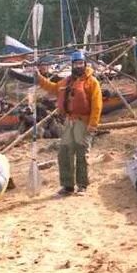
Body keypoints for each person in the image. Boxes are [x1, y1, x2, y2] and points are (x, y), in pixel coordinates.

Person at [37, 50, 103, 196]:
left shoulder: (92, 82)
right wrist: (39, 78)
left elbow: (97, 105)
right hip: (69, 122)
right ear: (72, 65)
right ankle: (68, 186)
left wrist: (93, 124)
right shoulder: (66, 81)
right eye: (76, 64)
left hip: (83, 122)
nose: (78, 66)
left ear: (85, 64)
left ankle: (82, 185)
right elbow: (52, 88)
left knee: (81, 153)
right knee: (64, 152)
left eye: (81, 63)